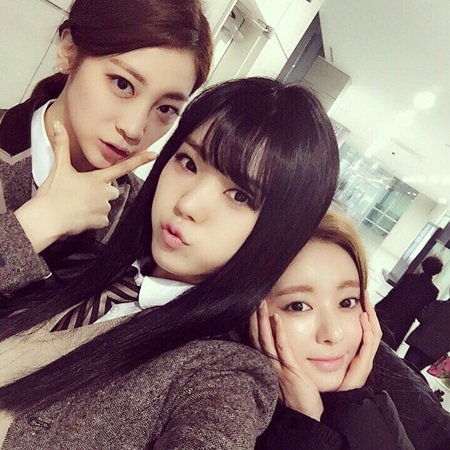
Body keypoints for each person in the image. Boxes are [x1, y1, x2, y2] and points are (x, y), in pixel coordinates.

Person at [0, 77, 340, 449]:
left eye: (240, 196)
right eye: (188, 162)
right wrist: (37, 225)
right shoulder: (91, 250)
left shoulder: (221, 374)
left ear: (278, 233)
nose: (188, 204)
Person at [0, 0, 212, 295]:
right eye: (123, 84)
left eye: (165, 109)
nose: (134, 129)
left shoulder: (146, 218)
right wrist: (38, 223)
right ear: (69, 51)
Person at [253, 211, 450, 450]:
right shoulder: (228, 405)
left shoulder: (408, 399)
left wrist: (348, 403)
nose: (334, 333)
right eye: (299, 306)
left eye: (347, 302)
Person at [375, 255, 443, 350]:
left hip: (390, 310)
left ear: (423, 265)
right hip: (406, 320)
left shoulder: (409, 277)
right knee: (388, 345)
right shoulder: (433, 291)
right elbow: (424, 310)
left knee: (376, 335)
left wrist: (379, 306)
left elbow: (393, 293)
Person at [404, 291, 450, 371]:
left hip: (420, 342)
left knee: (404, 366)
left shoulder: (440, 305)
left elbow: (422, 317)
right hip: (435, 352)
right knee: (415, 371)